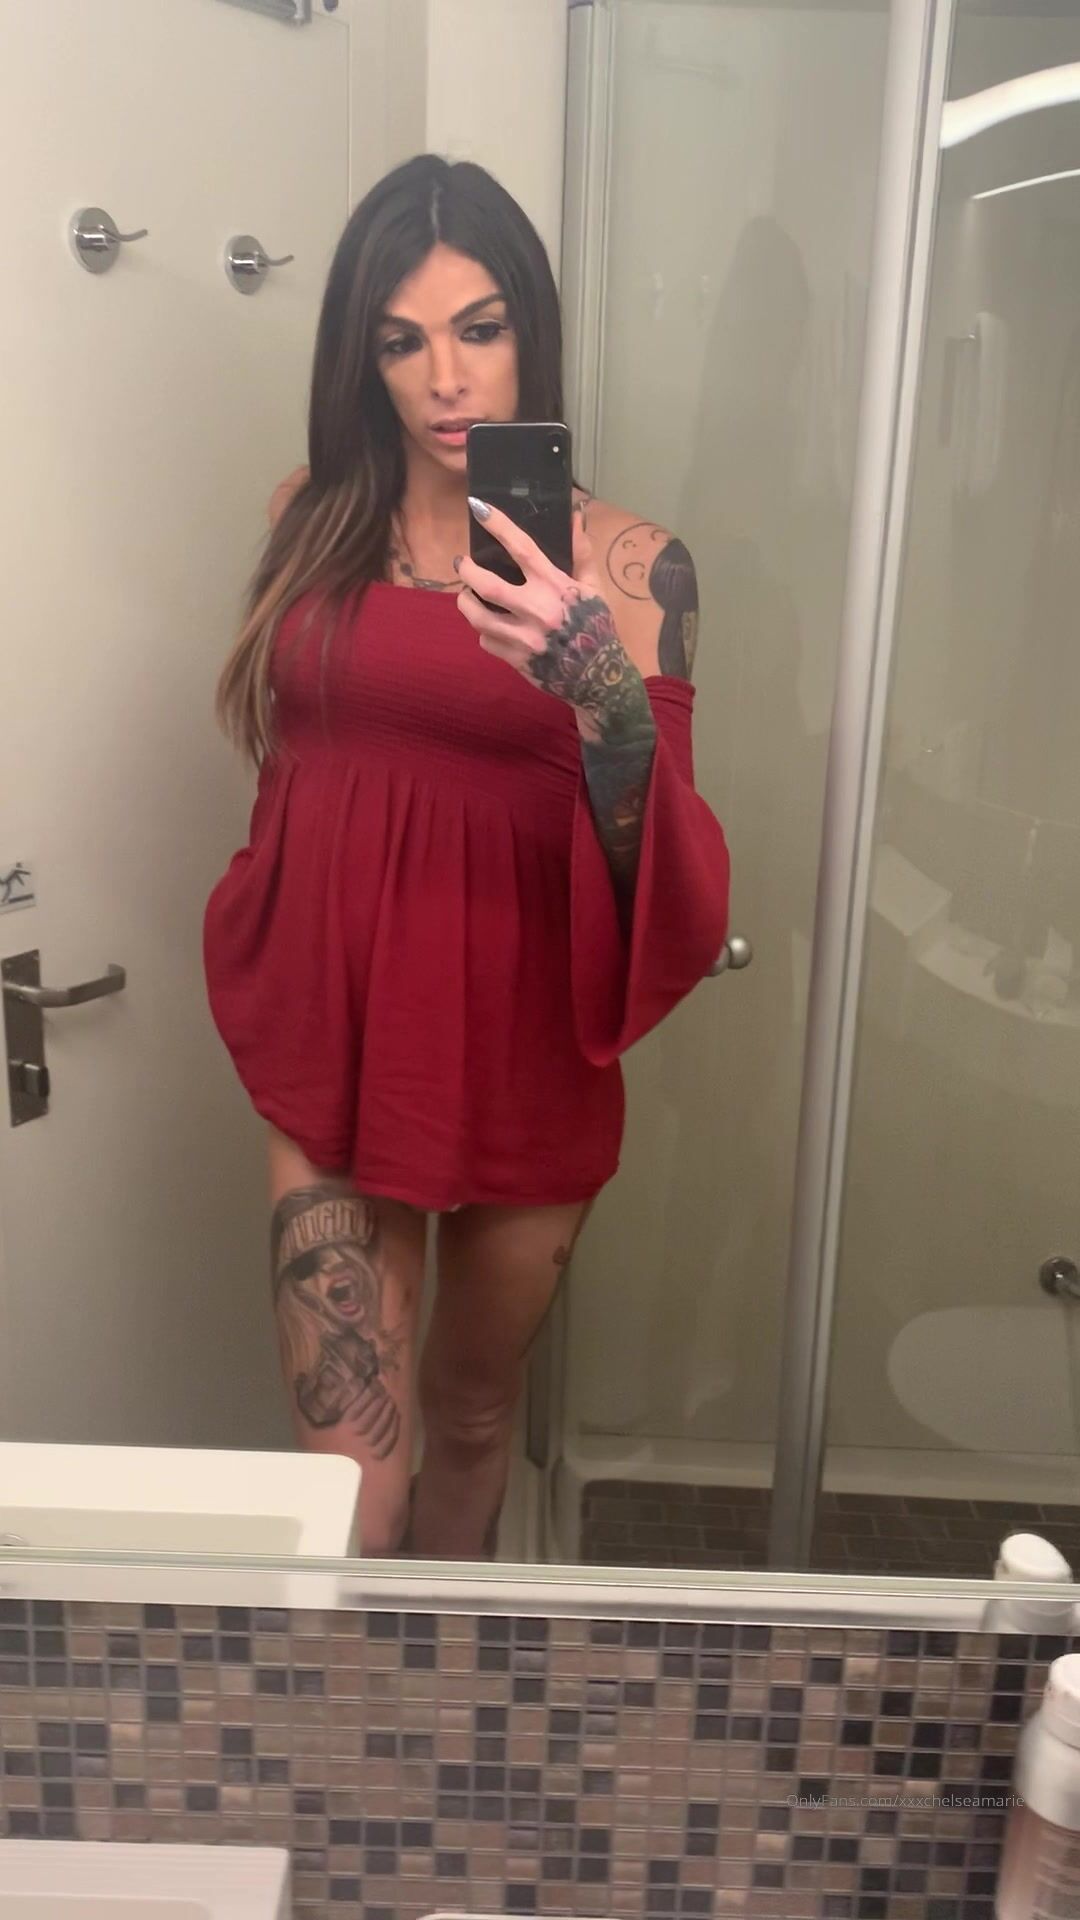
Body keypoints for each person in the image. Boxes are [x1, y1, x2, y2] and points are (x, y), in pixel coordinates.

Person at [204, 154, 730, 1561]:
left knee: (474, 1410)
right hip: (340, 1032)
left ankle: (446, 1691)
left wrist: (603, 694)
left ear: (529, 334)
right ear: (362, 359)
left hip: (522, 1037)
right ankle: (352, 1699)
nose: (446, 381)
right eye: (402, 341)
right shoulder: (311, 517)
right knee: (348, 1484)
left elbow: (659, 874)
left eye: (480, 329)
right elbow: (302, 770)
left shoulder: (636, 568)